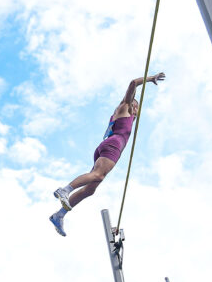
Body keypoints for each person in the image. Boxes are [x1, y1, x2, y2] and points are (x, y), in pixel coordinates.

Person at [49, 72, 165, 237]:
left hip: (106, 146)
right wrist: (149, 78)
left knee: (90, 189)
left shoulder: (125, 116)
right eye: (136, 106)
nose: (137, 110)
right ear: (132, 104)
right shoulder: (125, 107)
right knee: (98, 175)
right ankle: (65, 190)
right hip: (113, 145)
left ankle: (59, 215)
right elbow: (132, 83)